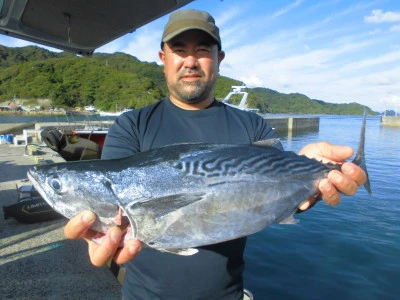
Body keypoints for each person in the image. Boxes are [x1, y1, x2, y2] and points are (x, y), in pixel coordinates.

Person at [64, 9, 366, 300]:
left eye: (203, 50)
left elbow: (276, 191)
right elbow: (112, 204)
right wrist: (103, 235)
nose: (191, 61)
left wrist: (313, 185)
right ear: (163, 58)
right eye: (180, 50)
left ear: (219, 59)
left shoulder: (251, 125)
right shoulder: (132, 125)